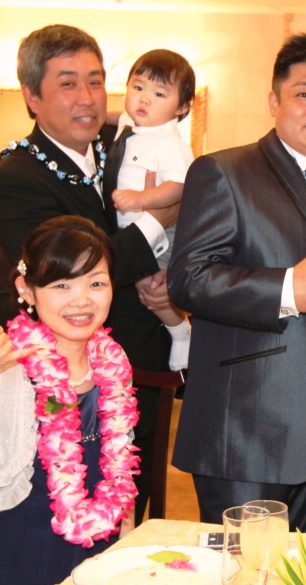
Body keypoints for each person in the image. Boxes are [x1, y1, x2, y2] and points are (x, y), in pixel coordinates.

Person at [167, 31, 306, 528]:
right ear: (274, 102)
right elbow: (188, 279)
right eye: (304, 94)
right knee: (244, 571)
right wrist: (287, 289)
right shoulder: (225, 173)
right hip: (250, 432)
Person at [0, 25, 175, 522]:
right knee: (60, 520)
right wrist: (158, 220)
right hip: (61, 390)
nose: (87, 97)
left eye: (96, 82)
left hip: (138, 371)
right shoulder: (14, 176)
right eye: (68, 83)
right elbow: (69, 269)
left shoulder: (120, 152)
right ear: (32, 96)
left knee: (127, 522)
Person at [0, 216, 139, 585]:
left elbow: (121, 471)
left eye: (96, 283)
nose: (81, 301)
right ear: (26, 289)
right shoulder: (10, 368)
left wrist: (128, 548)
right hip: (16, 570)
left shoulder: (112, 362)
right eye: (61, 285)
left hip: (98, 567)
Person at [110, 49, 195, 371]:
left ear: (182, 107)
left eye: (160, 94)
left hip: (162, 229)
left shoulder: (170, 143)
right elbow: (115, 116)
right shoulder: (131, 126)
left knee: (151, 287)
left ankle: (180, 331)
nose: (144, 99)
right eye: (138, 87)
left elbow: (180, 186)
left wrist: (141, 199)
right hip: (132, 230)